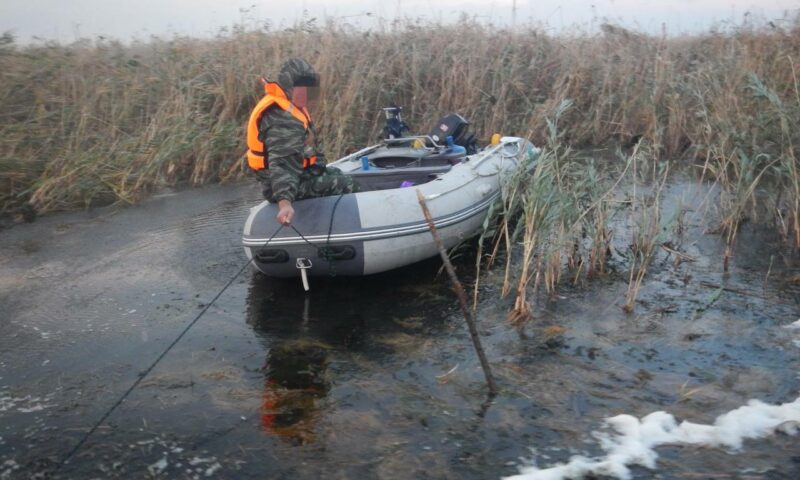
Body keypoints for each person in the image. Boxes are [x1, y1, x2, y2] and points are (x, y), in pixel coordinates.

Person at [246, 58, 357, 225]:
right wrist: (284, 203)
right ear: (290, 87)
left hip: (301, 175)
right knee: (347, 184)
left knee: (336, 173)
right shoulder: (282, 118)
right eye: (304, 87)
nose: (310, 93)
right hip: (286, 186)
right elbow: (282, 165)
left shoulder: (290, 105)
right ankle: (347, 226)